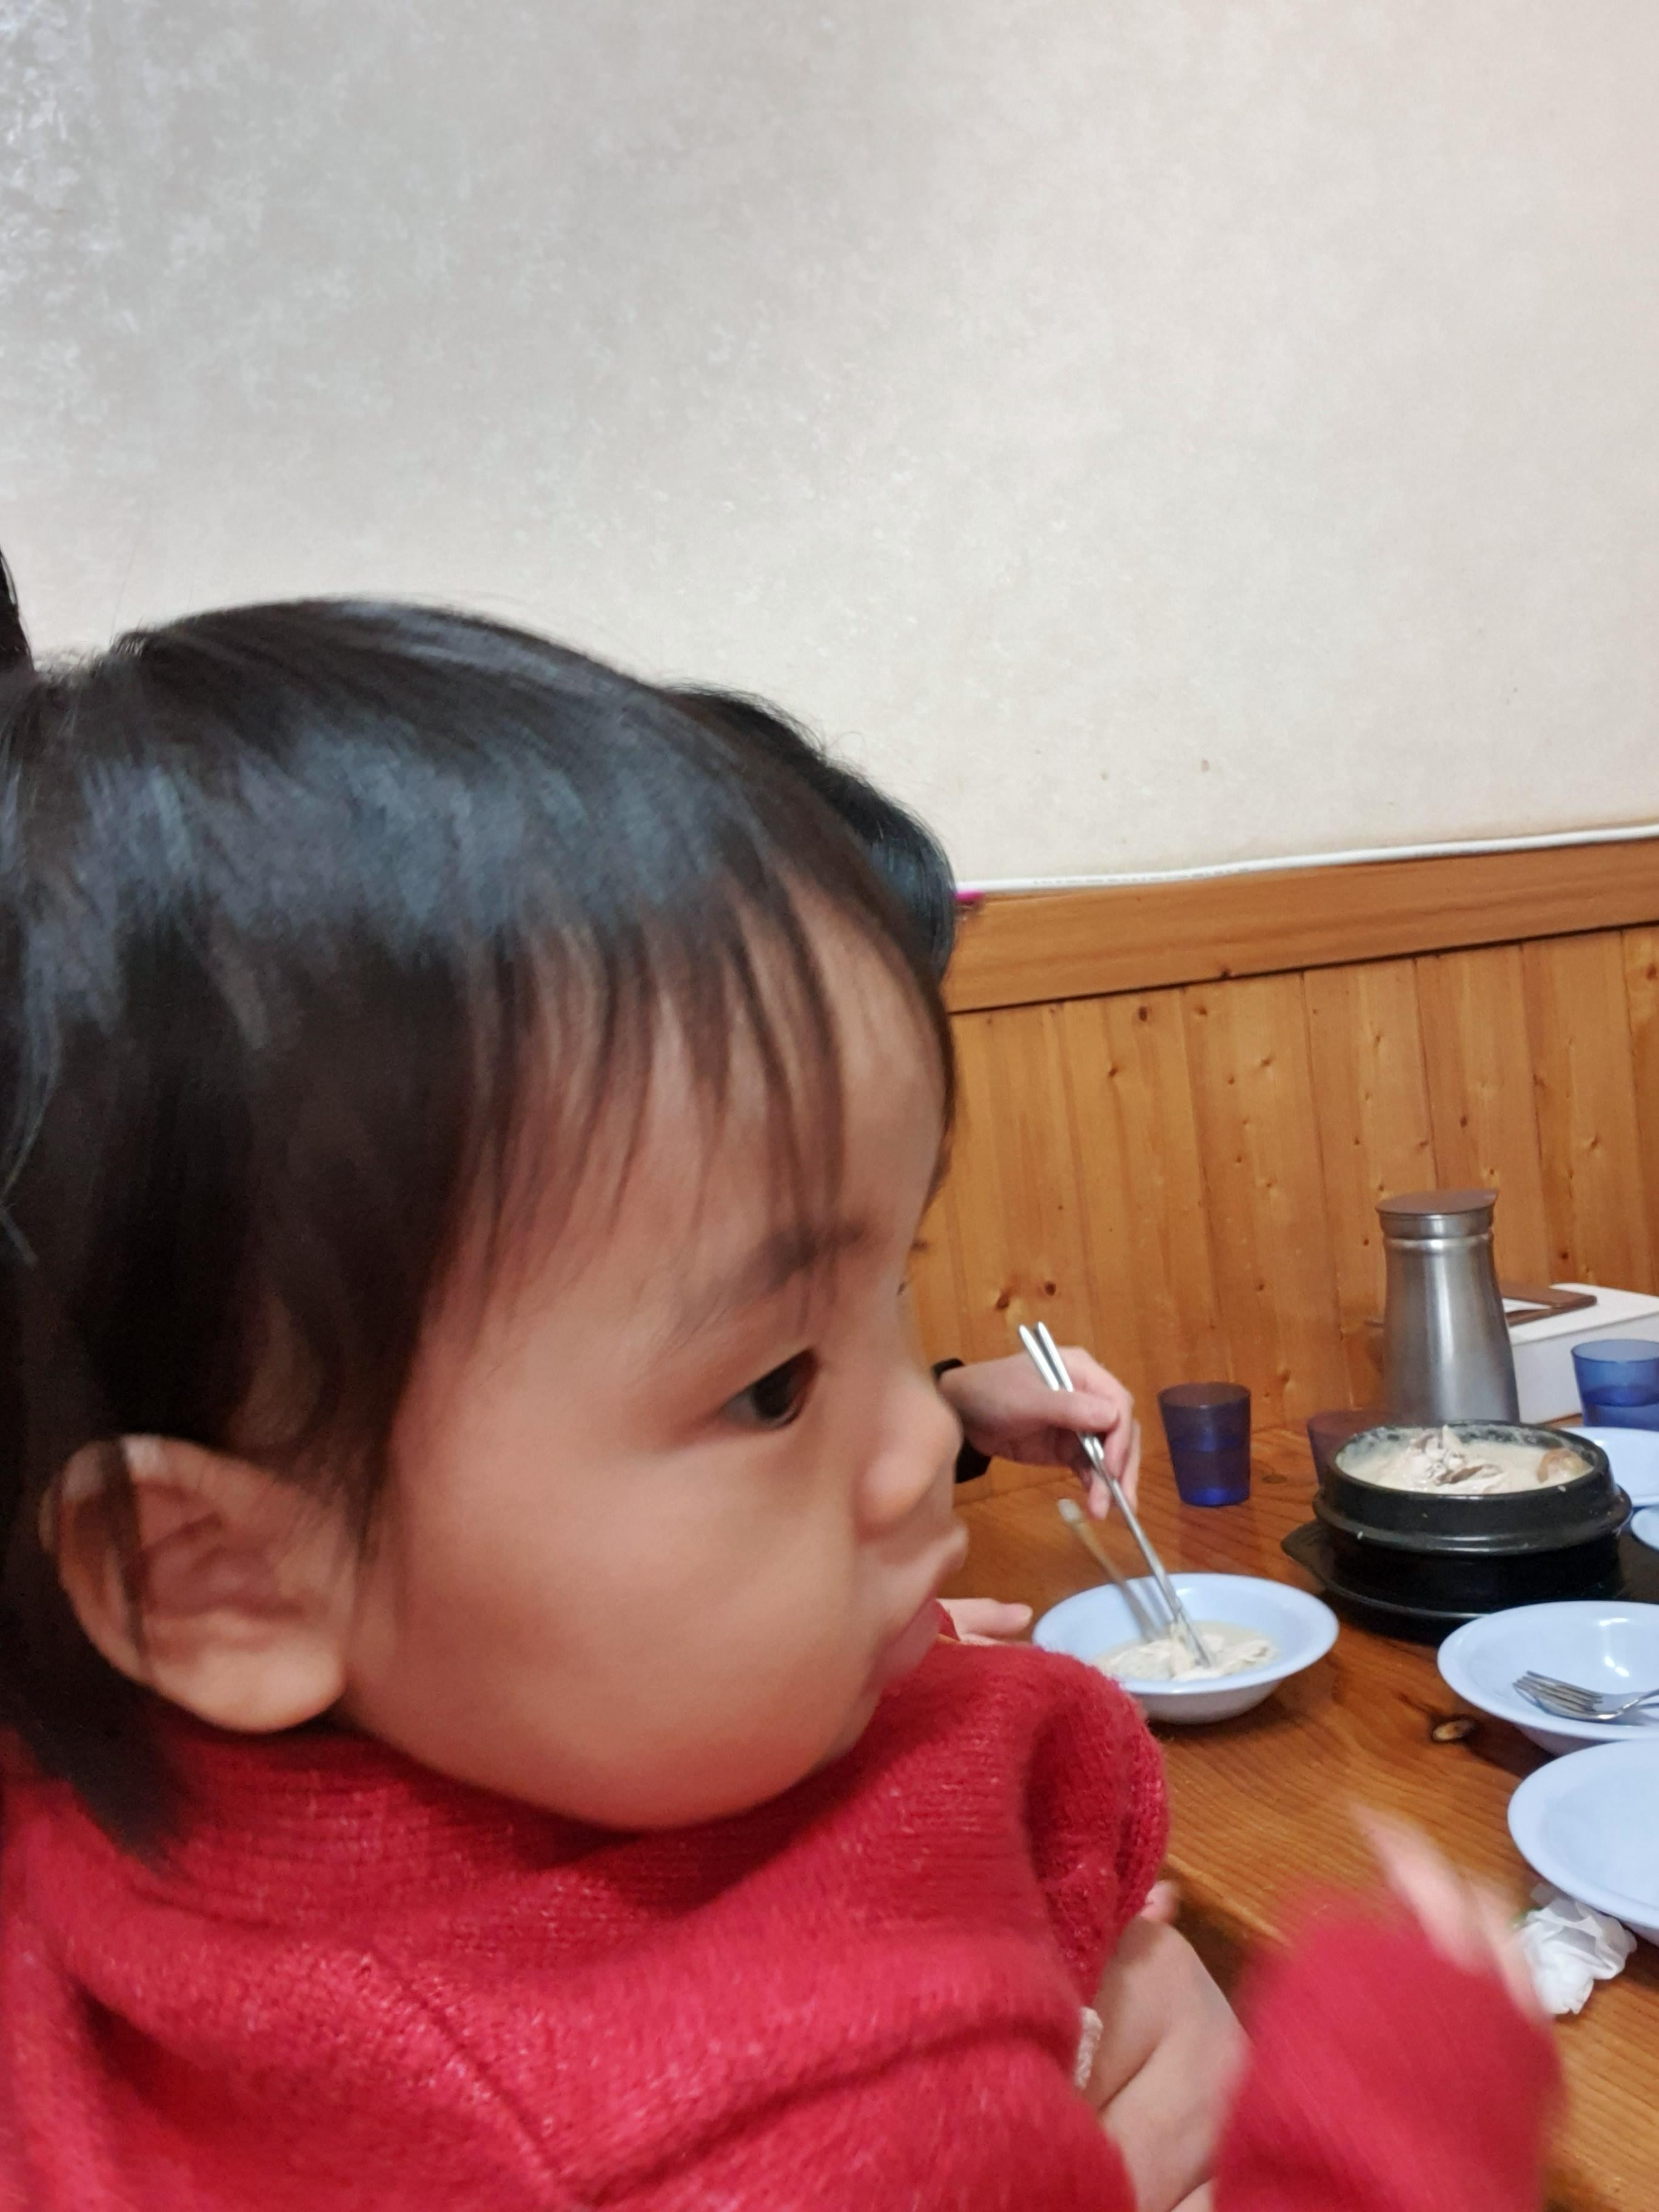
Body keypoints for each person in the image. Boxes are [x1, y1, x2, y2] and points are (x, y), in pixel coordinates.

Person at [0, 592, 1554, 2210]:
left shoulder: (189, 1786)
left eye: (893, 1289)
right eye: (770, 1384)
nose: (918, 1447)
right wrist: (1396, 2129)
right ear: (224, 1584)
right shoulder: (811, 2134)